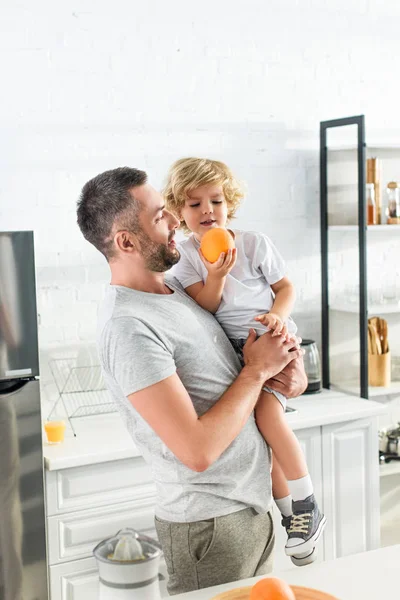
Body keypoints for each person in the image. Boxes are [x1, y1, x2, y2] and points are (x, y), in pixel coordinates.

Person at [76, 167, 307, 595]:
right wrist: (257, 370)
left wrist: (284, 374)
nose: (175, 223)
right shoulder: (128, 326)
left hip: (249, 507)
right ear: (126, 241)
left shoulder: (176, 292)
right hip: (209, 523)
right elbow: (197, 451)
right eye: (161, 215)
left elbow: (232, 373)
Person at [163, 157, 326, 566]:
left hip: (268, 338)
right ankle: (291, 516)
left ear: (228, 203)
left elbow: (285, 287)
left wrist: (279, 317)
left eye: (215, 201)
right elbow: (205, 304)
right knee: (257, 437)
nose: (206, 211)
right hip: (236, 353)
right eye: (194, 204)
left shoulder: (252, 243)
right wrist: (216, 276)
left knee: (270, 421)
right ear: (179, 212)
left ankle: (306, 502)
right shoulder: (184, 256)